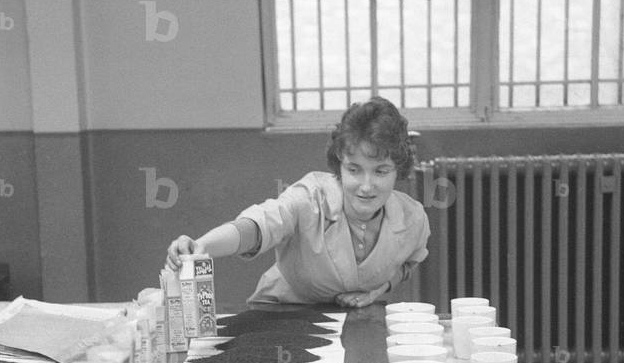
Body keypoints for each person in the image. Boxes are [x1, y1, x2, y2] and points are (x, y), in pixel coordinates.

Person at [165, 97, 430, 308]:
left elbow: (409, 262)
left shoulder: (413, 218)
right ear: (339, 164)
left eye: (381, 171)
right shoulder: (310, 197)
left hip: (353, 321)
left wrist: (379, 290)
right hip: (282, 312)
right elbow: (259, 225)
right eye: (354, 170)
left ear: (399, 170)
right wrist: (203, 245)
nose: (366, 185)